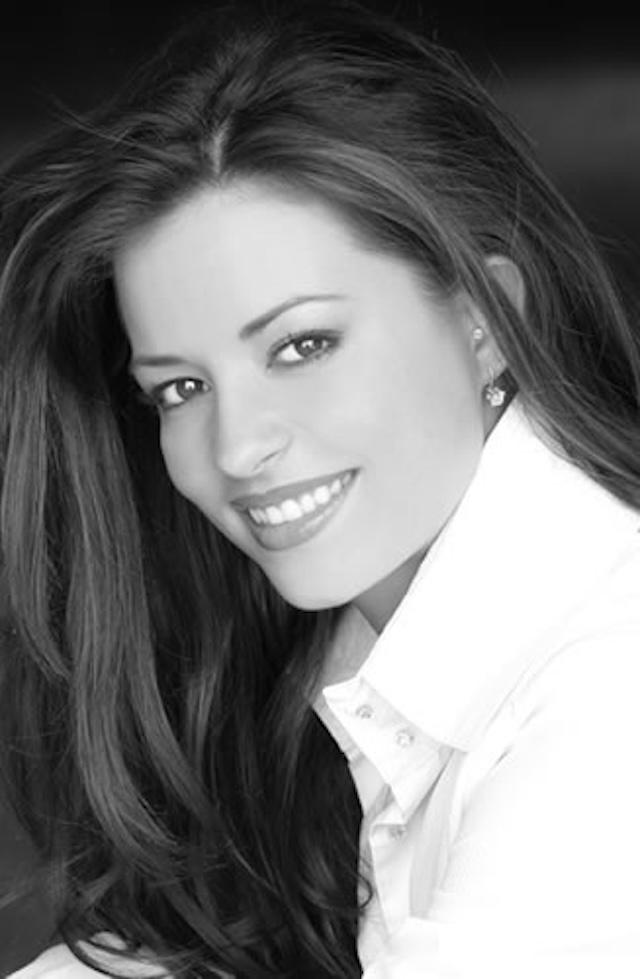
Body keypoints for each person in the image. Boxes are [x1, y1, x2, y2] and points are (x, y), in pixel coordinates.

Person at [2, 0, 640, 976]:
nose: (238, 446)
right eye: (181, 388)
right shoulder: (350, 657)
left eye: (302, 345)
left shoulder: (606, 696)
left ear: (485, 322)